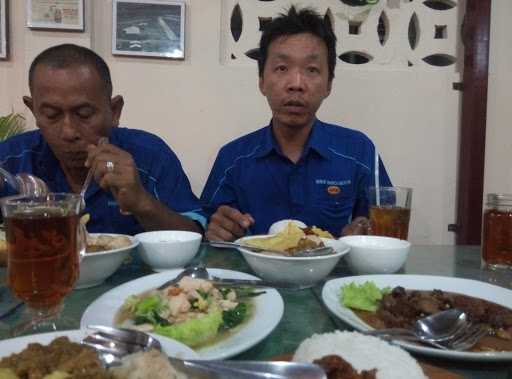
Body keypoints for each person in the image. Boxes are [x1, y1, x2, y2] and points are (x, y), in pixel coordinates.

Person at [201, 6, 391, 241]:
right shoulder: (232, 158)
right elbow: (208, 228)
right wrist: (216, 229)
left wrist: (363, 232)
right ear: (261, 81)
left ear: (329, 84)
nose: (296, 83)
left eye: (311, 69)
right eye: (282, 68)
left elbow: (386, 229)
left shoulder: (359, 150)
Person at [0, 44, 204, 235]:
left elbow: (195, 238)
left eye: (84, 114)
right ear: (33, 110)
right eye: (52, 115)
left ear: (114, 111)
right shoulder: (10, 160)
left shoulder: (148, 155)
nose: (69, 132)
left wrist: (142, 202)